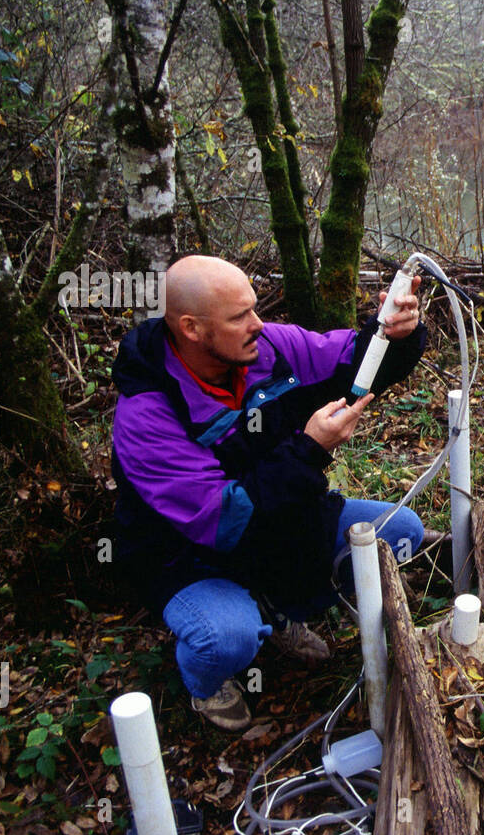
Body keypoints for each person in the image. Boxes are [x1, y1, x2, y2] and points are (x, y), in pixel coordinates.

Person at [109, 254, 427, 730]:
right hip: (189, 558)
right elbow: (225, 521)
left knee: (399, 533)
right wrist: (309, 450)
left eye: (254, 308)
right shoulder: (148, 417)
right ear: (192, 328)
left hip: (275, 526)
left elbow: (355, 362)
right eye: (239, 316)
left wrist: (394, 335)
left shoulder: (267, 347)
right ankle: (208, 680)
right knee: (227, 639)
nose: (258, 324)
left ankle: (279, 607)